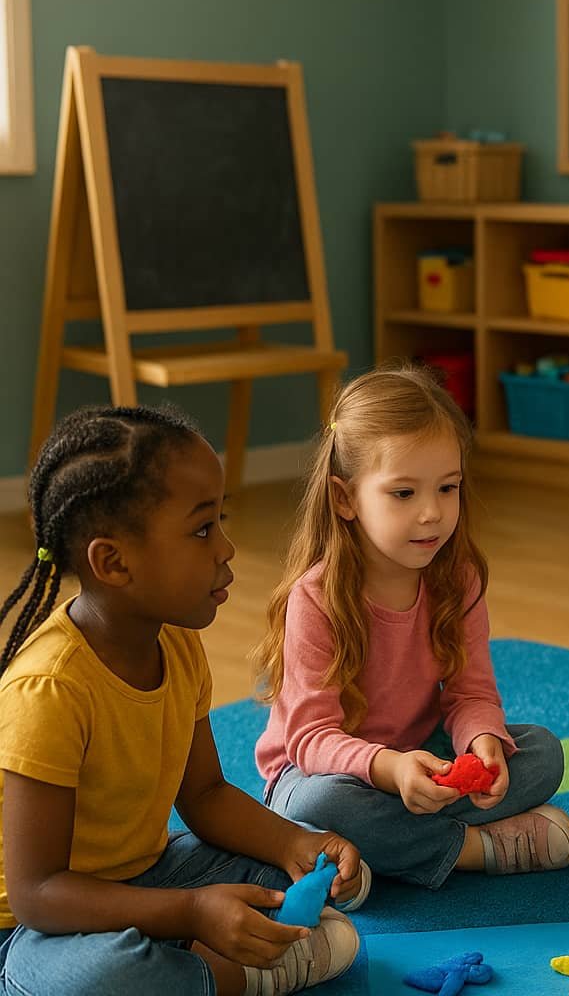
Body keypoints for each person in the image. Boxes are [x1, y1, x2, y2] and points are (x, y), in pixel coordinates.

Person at [0, 406, 366, 996]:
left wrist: (298, 845)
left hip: (147, 877)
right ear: (113, 562)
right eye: (201, 529)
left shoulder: (176, 643)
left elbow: (204, 796)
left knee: (290, 859)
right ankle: (228, 974)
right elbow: (38, 893)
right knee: (100, 979)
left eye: (220, 519)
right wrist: (192, 913)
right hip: (35, 931)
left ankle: (216, 950)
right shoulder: (49, 690)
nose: (226, 547)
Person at [255, 365, 569, 889]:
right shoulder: (315, 597)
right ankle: (471, 849)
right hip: (321, 772)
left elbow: (471, 693)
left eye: (447, 488)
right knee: (316, 805)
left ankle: (373, 853)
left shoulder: (459, 580)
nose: (432, 513)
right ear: (345, 499)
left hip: (421, 756)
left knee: (541, 753)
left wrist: (482, 742)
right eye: (403, 494)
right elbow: (310, 739)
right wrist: (389, 769)